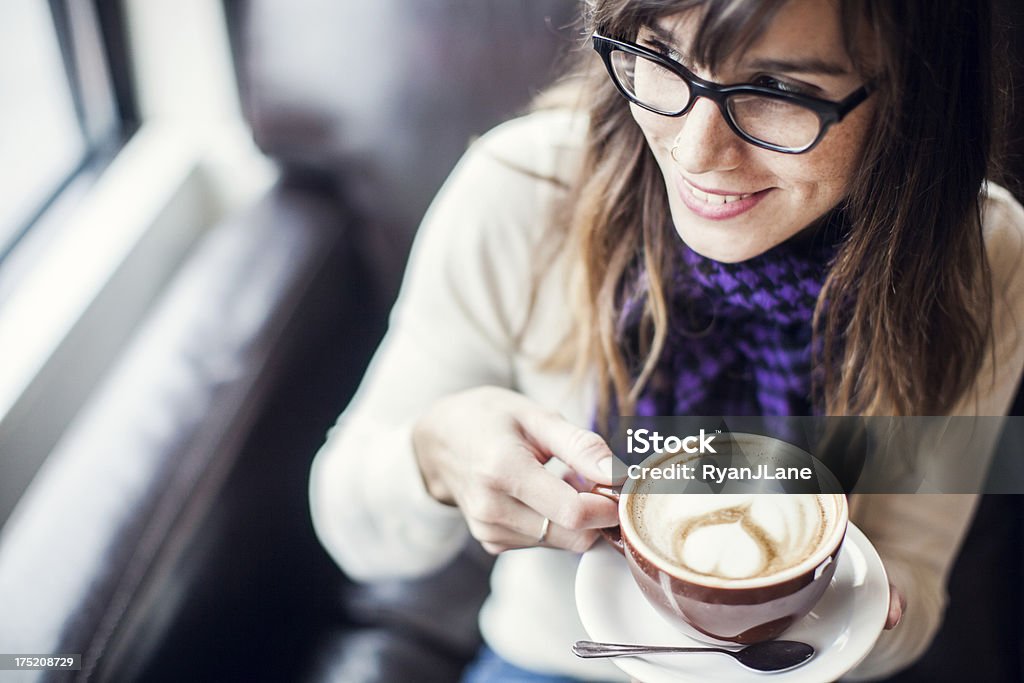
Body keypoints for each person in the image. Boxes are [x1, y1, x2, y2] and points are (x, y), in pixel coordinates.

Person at [310, 0, 1024, 680]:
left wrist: (860, 623)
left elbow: (915, 590)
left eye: (776, 86)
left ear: (914, 92)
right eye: (660, 53)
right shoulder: (523, 192)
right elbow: (347, 526)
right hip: (562, 658)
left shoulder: (982, 260)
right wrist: (435, 454)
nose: (695, 149)